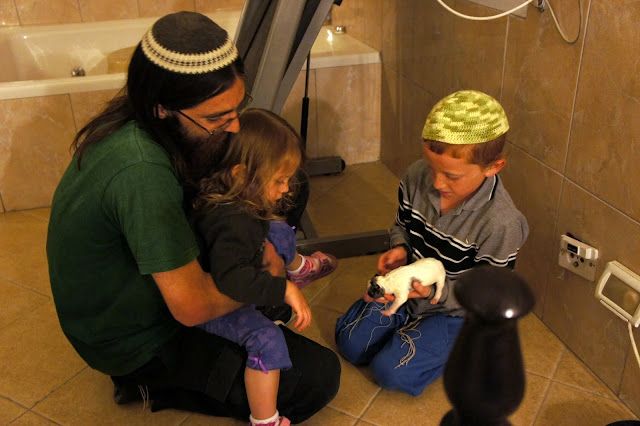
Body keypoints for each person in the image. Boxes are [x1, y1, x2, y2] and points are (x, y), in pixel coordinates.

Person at [46, 11, 340, 423]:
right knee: (316, 379)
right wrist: (270, 274)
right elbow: (191, 307)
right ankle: (146, 382)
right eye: (217, 118)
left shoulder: (148, 123)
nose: (234, 127)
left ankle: (252, 290)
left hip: (164, 281)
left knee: (287, 181)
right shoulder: (141, 172)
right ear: (162, 108)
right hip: (140, 338)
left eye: (237, 108)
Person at [335, 90, 529, 397]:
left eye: (452, 176)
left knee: (390, 372)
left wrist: (435, 295)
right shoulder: (415, 176)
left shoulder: (502, 224)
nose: (437, 183)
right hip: (411, 292)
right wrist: (399, 248)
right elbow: (402, 225)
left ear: (493, 167)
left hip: (457, 313)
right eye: (430, 167)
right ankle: (408, 328)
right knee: (350, 343)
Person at [191, 108, 330, 426]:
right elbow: (231, 280)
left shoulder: (229, 195)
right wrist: (283, 289)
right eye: (279, 180)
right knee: (267, 340)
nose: (286, 189)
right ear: (241, 174)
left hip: (242, 267)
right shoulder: (231, 224)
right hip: (216, 308)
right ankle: (265, 420)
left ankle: (298, 266)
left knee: (279, 230)